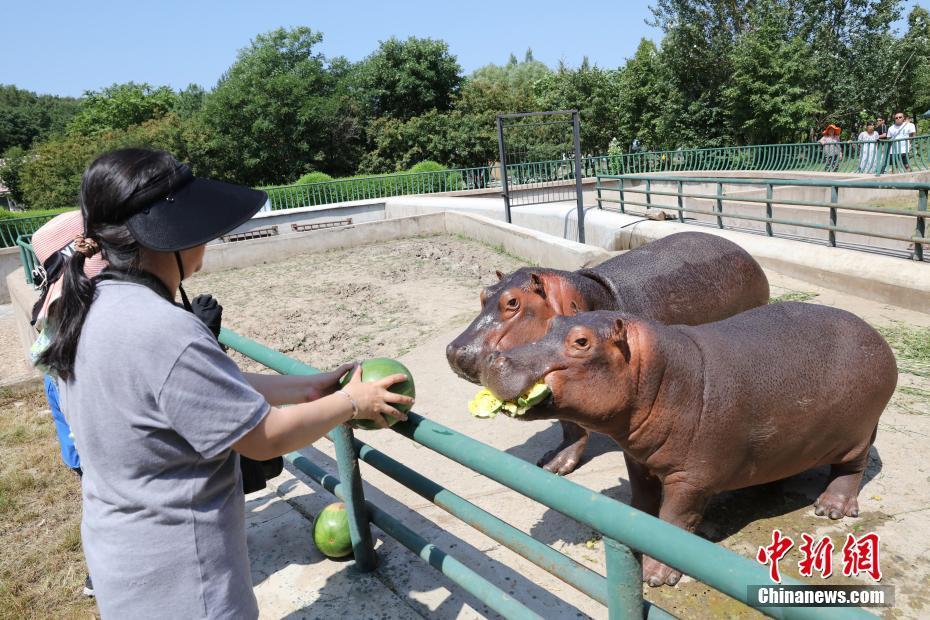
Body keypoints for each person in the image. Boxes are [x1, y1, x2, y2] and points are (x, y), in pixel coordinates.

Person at [39, 148, 414, 618]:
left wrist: (309, 388)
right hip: (185, 581)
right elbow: (263, 439)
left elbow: (198, 389)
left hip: (126, 561)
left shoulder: (93, 307)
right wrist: (351, 404)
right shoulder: (162, 328)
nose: (206, 240)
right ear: (164, 239)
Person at [28, 210, 108, 598]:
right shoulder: (81, 321)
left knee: (97, 505)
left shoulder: (56, 318)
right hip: (91, 437)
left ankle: (98, 574)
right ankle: (101, 575)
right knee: (106, 508)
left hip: (77, 439)